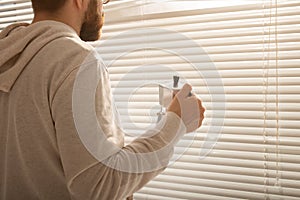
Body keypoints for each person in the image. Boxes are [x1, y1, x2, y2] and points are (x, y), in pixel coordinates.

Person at [0, 0, 205, 199]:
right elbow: (98, 186)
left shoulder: (8, 53)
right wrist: (176, 122)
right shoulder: (73, 59)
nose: (102, 6)